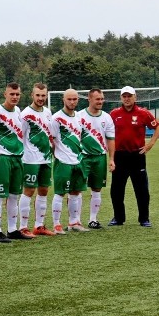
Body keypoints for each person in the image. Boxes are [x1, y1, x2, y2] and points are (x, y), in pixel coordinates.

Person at [109, 86, 159, 227]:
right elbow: (107, 132)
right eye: (124, 96)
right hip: (120, 155)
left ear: (135, 97)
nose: (127, 99)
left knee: (142, 189)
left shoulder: (143, 113)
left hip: (137, 155)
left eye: (129, 96)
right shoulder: (114, 114)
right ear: (121, 98)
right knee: (116, 189)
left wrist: (150, 144)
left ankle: (144, 219)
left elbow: (158, 127)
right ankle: (118, 218)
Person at [0, 83, 31, 242]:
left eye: (17, 94)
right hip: (0, 158)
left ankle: (12, 229)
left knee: (14, 195)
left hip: (17, 158)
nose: (15, 97)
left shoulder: (18, 111)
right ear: (5, 94)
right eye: (12, 94)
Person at [48, 89, 87, 234]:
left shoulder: (79, 116)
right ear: (63, 100)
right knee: (60, 193)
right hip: (62, 161)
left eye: (75, 99)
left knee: (76, 192)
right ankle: (57, 224)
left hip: (77, 160)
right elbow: (51, 139)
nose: (72, 102)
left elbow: (80, 136)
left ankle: (74, 222)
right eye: (69, 99)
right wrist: (58, 155)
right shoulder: (56, 118)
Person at [18, 83, 55, 237]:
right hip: (30, 159)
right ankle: (23, 227)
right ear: (32, 95)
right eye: (38, 95)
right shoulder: (25, 114)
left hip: (46, 158)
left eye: (43, 95)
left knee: (44, 190)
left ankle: (39, 226)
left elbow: (50, 134)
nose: (41, 98)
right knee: (29, 190)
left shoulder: (47, 112)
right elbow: (20, 136)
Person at [78, 88, 115, 229]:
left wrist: (111, 159)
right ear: (89, 99)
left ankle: (93, 219)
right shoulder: (79, 116)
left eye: (102, 99)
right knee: (77, 189)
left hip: (99, 157)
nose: (100, 101)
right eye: (97, 99)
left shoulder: (106, 117)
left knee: (97, 189)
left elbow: (111, 139)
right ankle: (75, 220)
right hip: (83, 157)